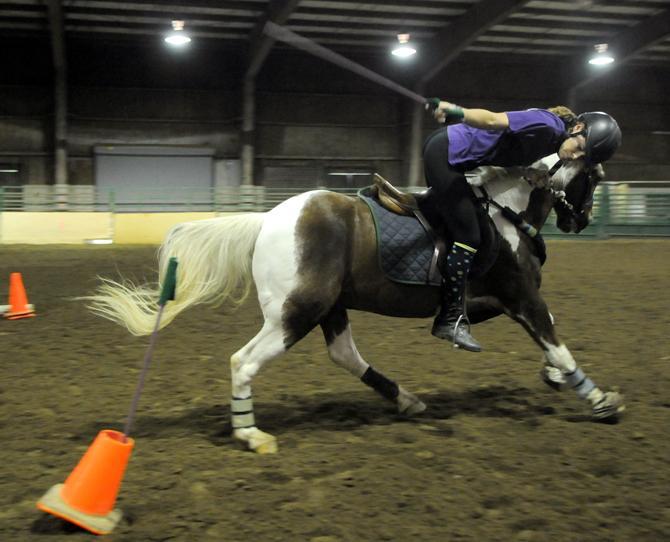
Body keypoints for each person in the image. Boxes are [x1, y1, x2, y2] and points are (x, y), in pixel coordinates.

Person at [424, 100, 621, 352]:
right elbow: (493, 120)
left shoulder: (553, 141)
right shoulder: (547, 126)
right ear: (577, 128)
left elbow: (508, 151)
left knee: (481, 227)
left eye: (583, 157)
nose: (576, 156)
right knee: (469, 235)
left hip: (455, 155)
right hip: (446, 155)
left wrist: (530, 172)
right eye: (580, 148)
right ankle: (449, 320)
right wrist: (457, 111)